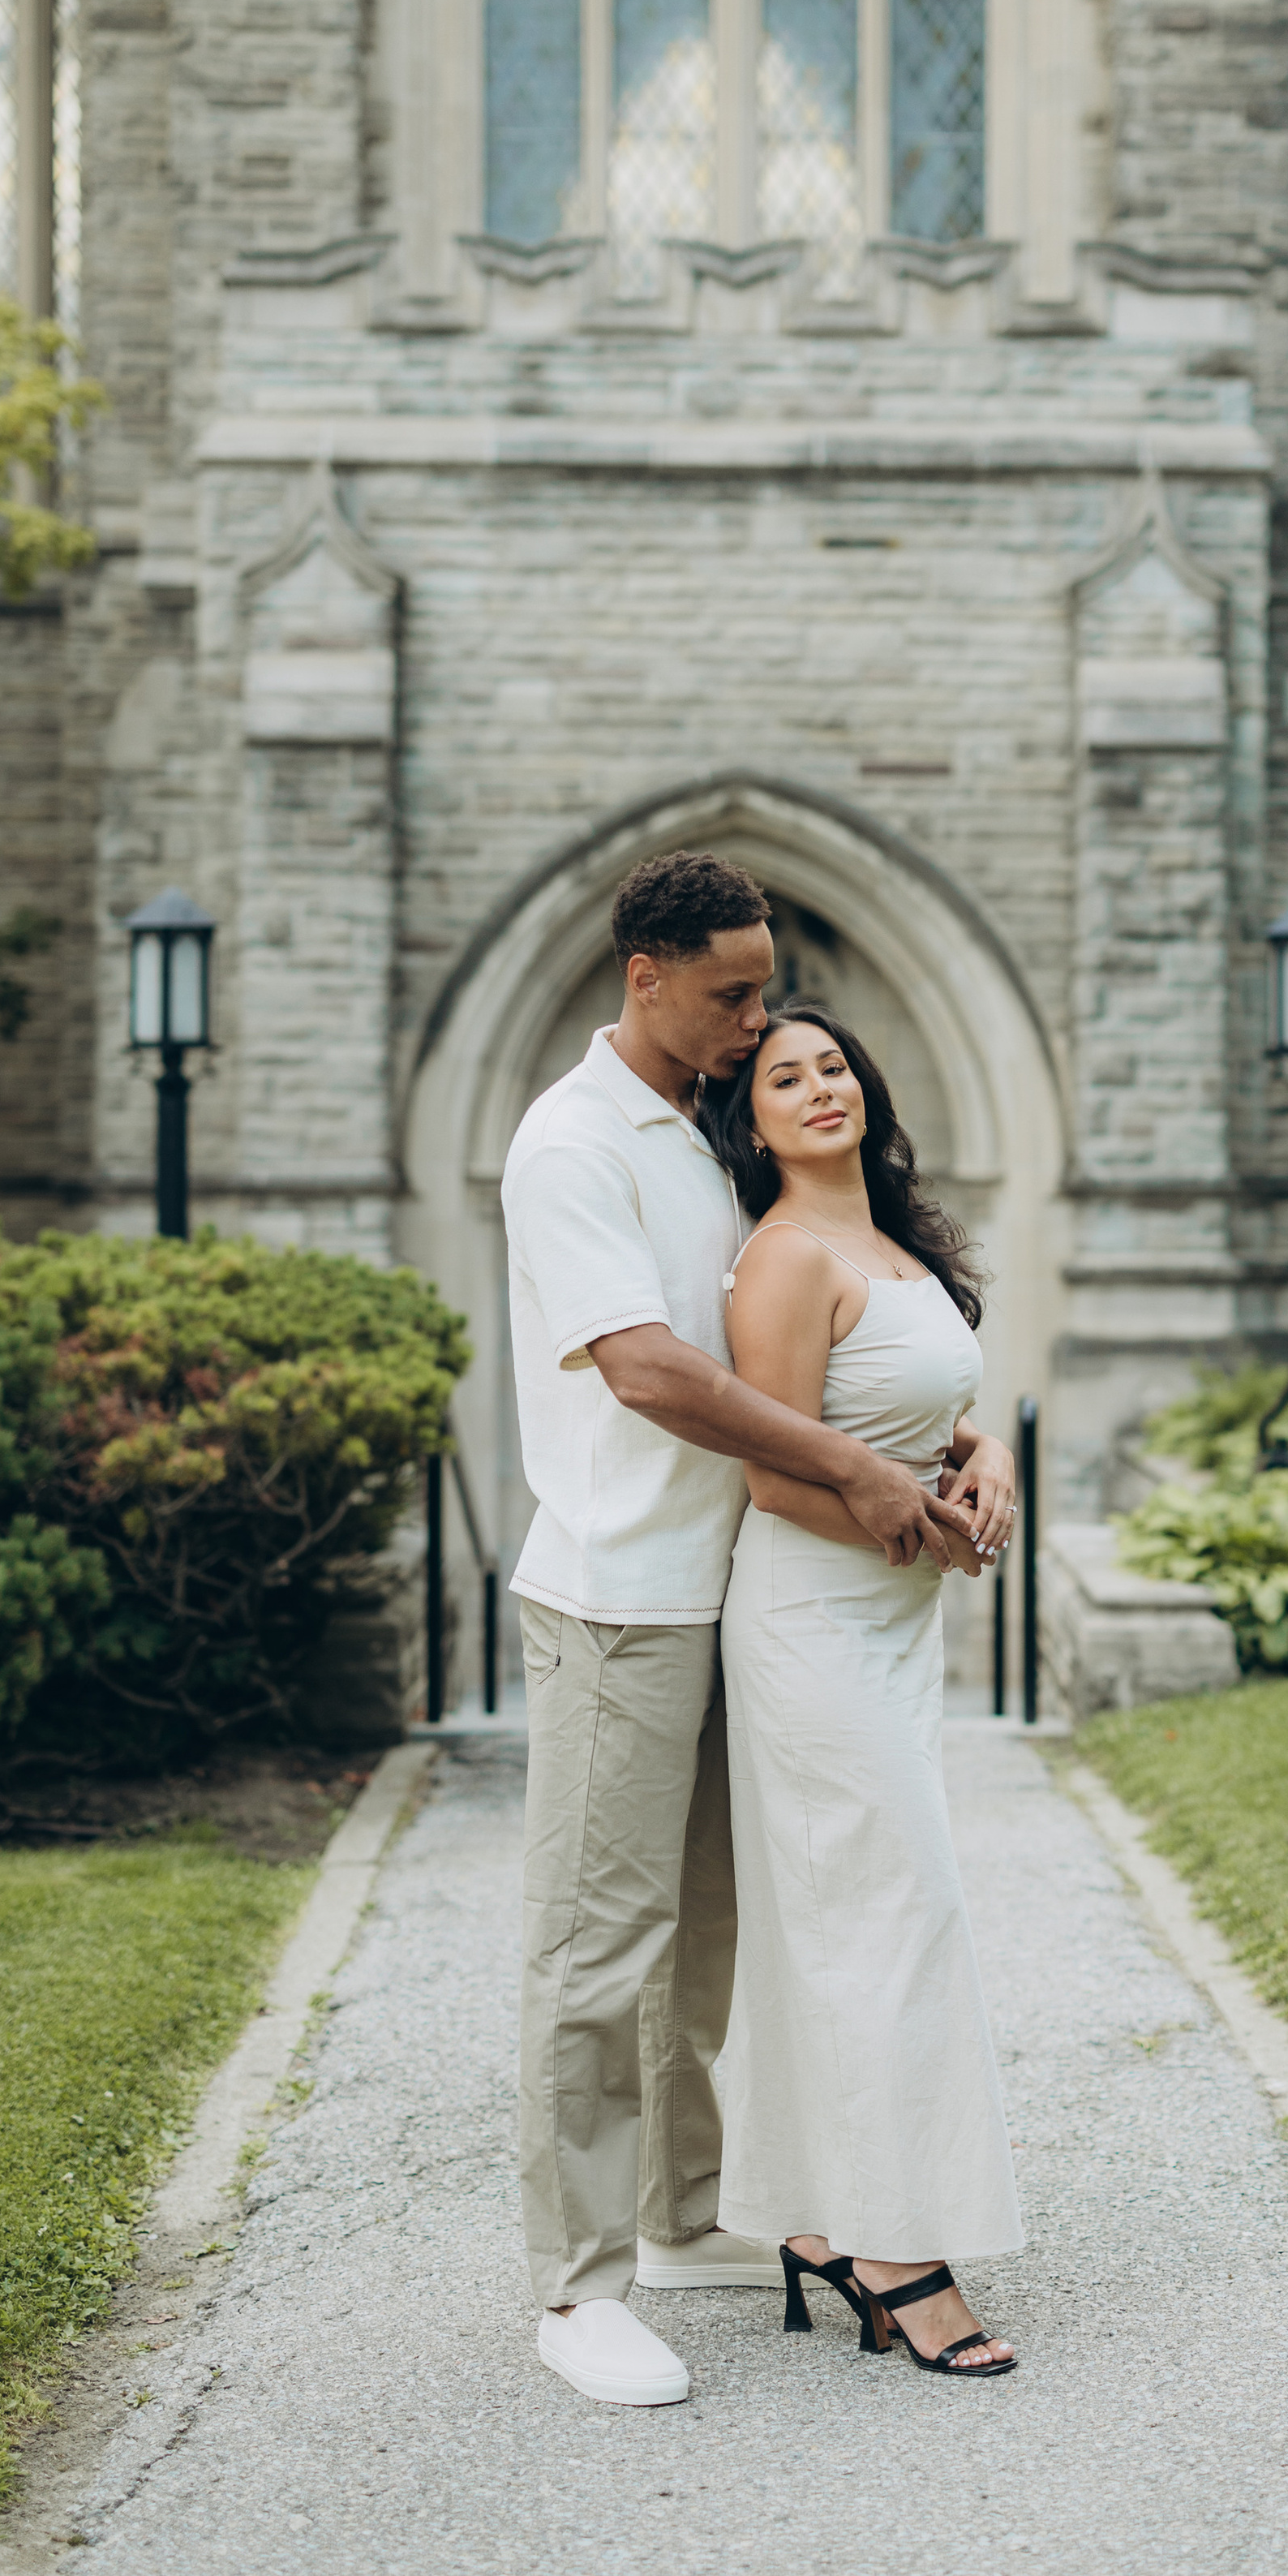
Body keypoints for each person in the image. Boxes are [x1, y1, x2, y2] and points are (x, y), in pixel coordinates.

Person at [500, 851, 1012, 2409]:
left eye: (767, 985)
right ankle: (577, 2291)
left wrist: (947, 1449)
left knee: (716, 1938)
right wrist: (861, 1472)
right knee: (602, 1946)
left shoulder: (719, 1136)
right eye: (732, 994)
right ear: (642, 977)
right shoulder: (571, 1141)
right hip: (624, 1593)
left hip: (750, 1595)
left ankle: (678, 2218)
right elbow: (648, 1370)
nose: (758, 1016)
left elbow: (858, 1352)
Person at [700, 1003, 1024, 2379]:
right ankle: (896, 2258)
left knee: (846, 1915)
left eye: (832, 1066)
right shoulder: (778, 1260)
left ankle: (820, 2222)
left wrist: (987, 1444)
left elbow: (911, 1404)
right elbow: (778, 1472)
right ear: (754, 1121)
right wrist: (932, 1531)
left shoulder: (890, 1244)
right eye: (785, 1077)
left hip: (892, 1628)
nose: (818, 1088)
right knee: (892, 1909)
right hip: (815, 1620)